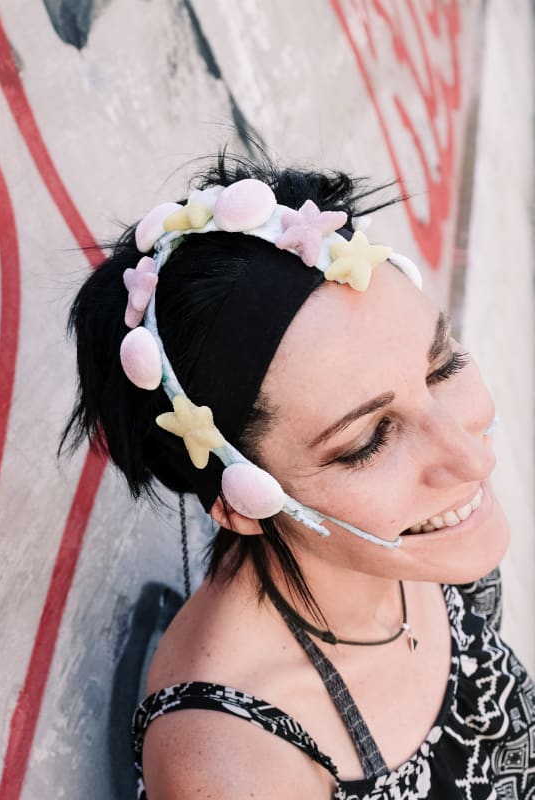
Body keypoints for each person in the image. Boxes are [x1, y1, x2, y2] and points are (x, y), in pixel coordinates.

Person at [62, 151, 534, 800]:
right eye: (369, 440)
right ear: (242, 502)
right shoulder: (237, 768)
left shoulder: (425, 525)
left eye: (442, 366)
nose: (472, 459)